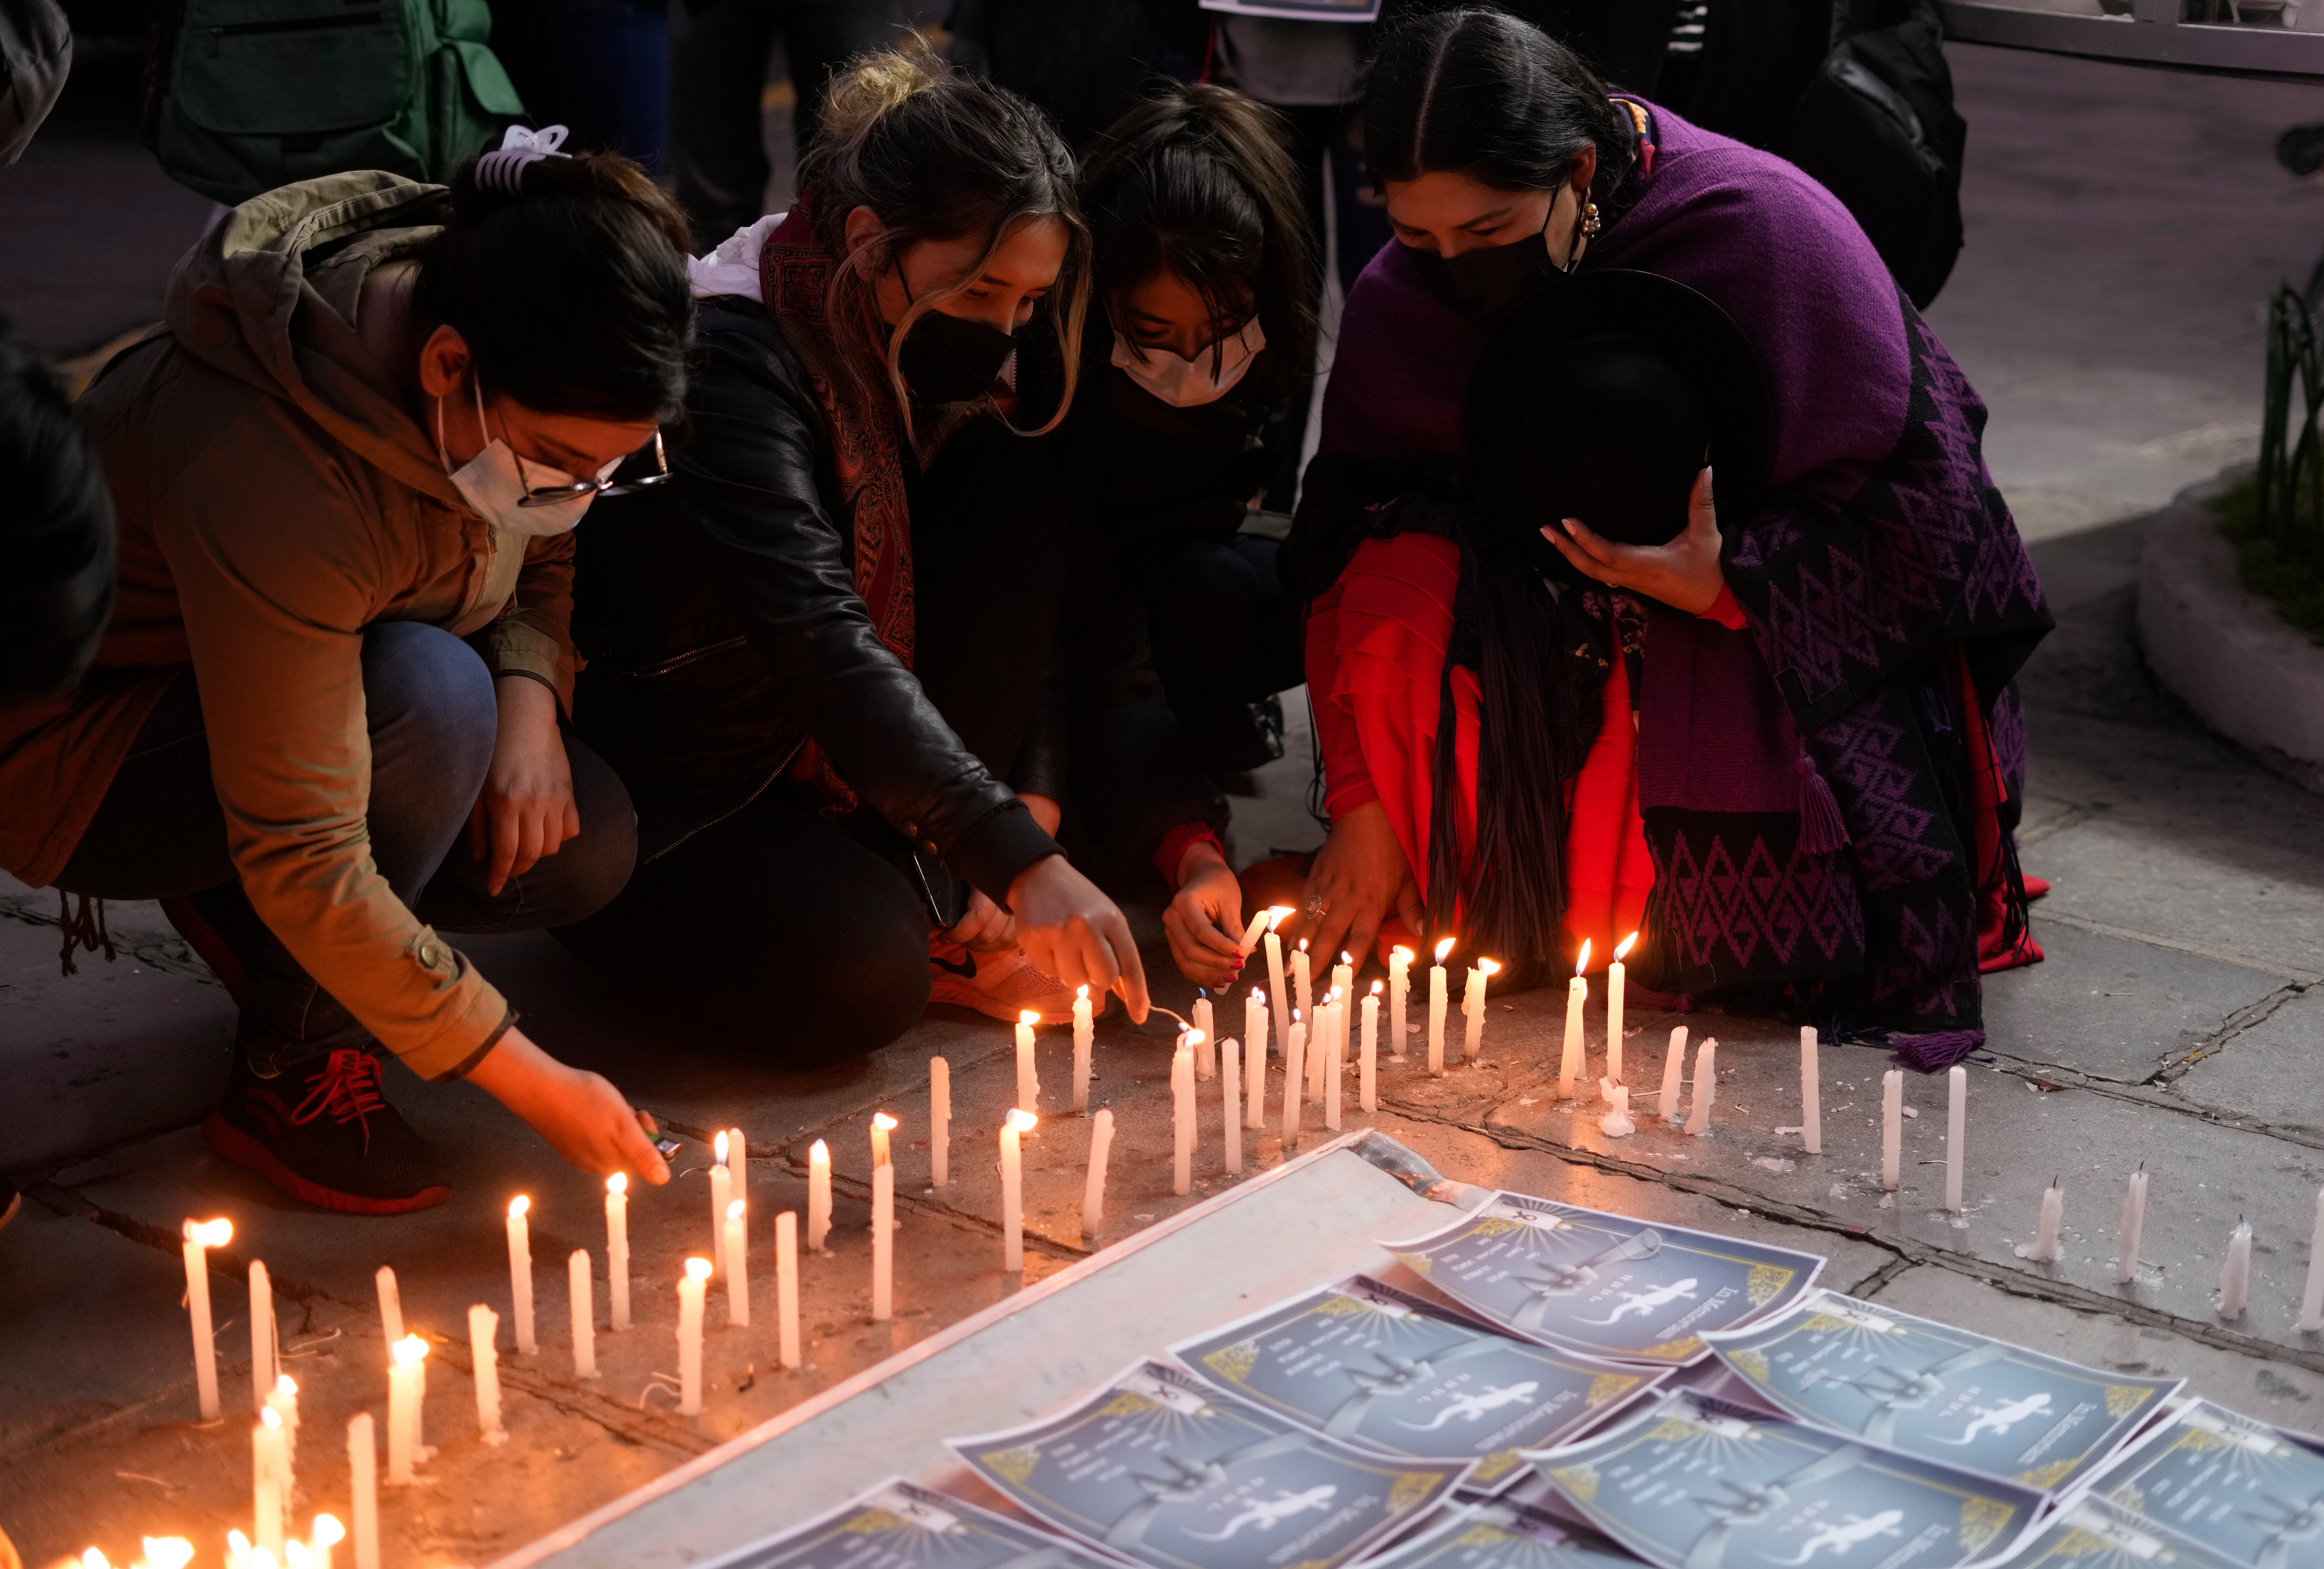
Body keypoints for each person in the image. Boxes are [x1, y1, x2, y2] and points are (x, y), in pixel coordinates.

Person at [1281, 9, 2052, 1067]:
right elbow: (1343, 525)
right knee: (1392, 576)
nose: (1454, 270)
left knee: (1683, 664)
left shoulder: (1764, 231)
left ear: (1580, 169)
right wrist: (1360, 805)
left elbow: (1935, 516)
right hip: (1537, 597)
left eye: (1492, 231)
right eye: (1420, 237)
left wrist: (1734, 583)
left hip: (1756, 600)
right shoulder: (1404, 292)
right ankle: (1464, 878)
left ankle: (1645, 910)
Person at [0, 136, 695, 1212]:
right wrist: (526, 1074)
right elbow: (306, 847)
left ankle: (277, 931)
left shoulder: (509, 330)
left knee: (578, 843)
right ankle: (292, 1067)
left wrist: (528, 699)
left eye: (612, 469)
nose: (577, 492)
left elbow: (544, 546)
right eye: (561, 460)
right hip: (90, 752)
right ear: (445, 366)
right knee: (431, 697)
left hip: (302, 691)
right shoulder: (271, 469)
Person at [565, 40, 1242, 1053]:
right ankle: (858, 911)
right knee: (862, 978)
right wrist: (1015, 862)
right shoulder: (737, 359)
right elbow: (820, 637)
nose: (1002, 330)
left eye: (1025, 303)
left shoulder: (916, 345)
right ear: (875, 242)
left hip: (853, 774)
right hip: (696, 790)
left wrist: (1035, 805)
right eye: (978, 295)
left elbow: (1031, 603)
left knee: (1009, 476)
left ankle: (921, 883)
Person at [1044, 82, 1315, 779]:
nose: (1194, 360)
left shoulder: (1278, 335)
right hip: (1081, 593)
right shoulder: (1057, 365)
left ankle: (1202, 721)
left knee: (1309, 580)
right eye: (1156, 332)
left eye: (1222, 328)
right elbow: (1066, 580)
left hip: (1198, 556)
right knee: (1202, 590)